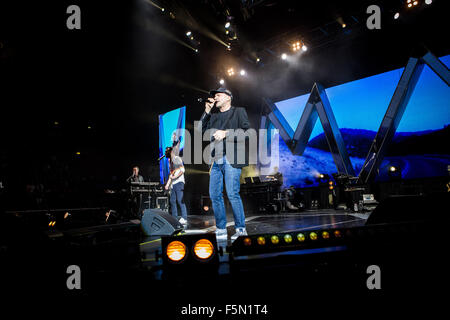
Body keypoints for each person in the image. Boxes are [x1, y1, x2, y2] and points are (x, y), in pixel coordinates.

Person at [199, 87, 250, 241]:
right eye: (215, 96)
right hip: (216, 160)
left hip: (232, 159)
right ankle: (221, 228)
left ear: (228, 97)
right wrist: (207, 111)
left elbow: (247, 133)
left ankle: (241, 229)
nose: (216, 98)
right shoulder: (213, 117)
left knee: (232, 193)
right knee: (215, 195)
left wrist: (226, 133)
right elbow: (201, 131)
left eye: (219, 95)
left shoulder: (239, 111)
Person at [164, 146, 188, 226]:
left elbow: (182, 170)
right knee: (172, 201)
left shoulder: (177, 159)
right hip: (173, 184)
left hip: (179, 182)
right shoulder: (170, 162)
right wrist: (167, 184)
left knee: (180, 200)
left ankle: (184, 218)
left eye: (166, 151)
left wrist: (175, 177)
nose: (165, 153)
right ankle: (174, 217)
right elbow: (171, 175)